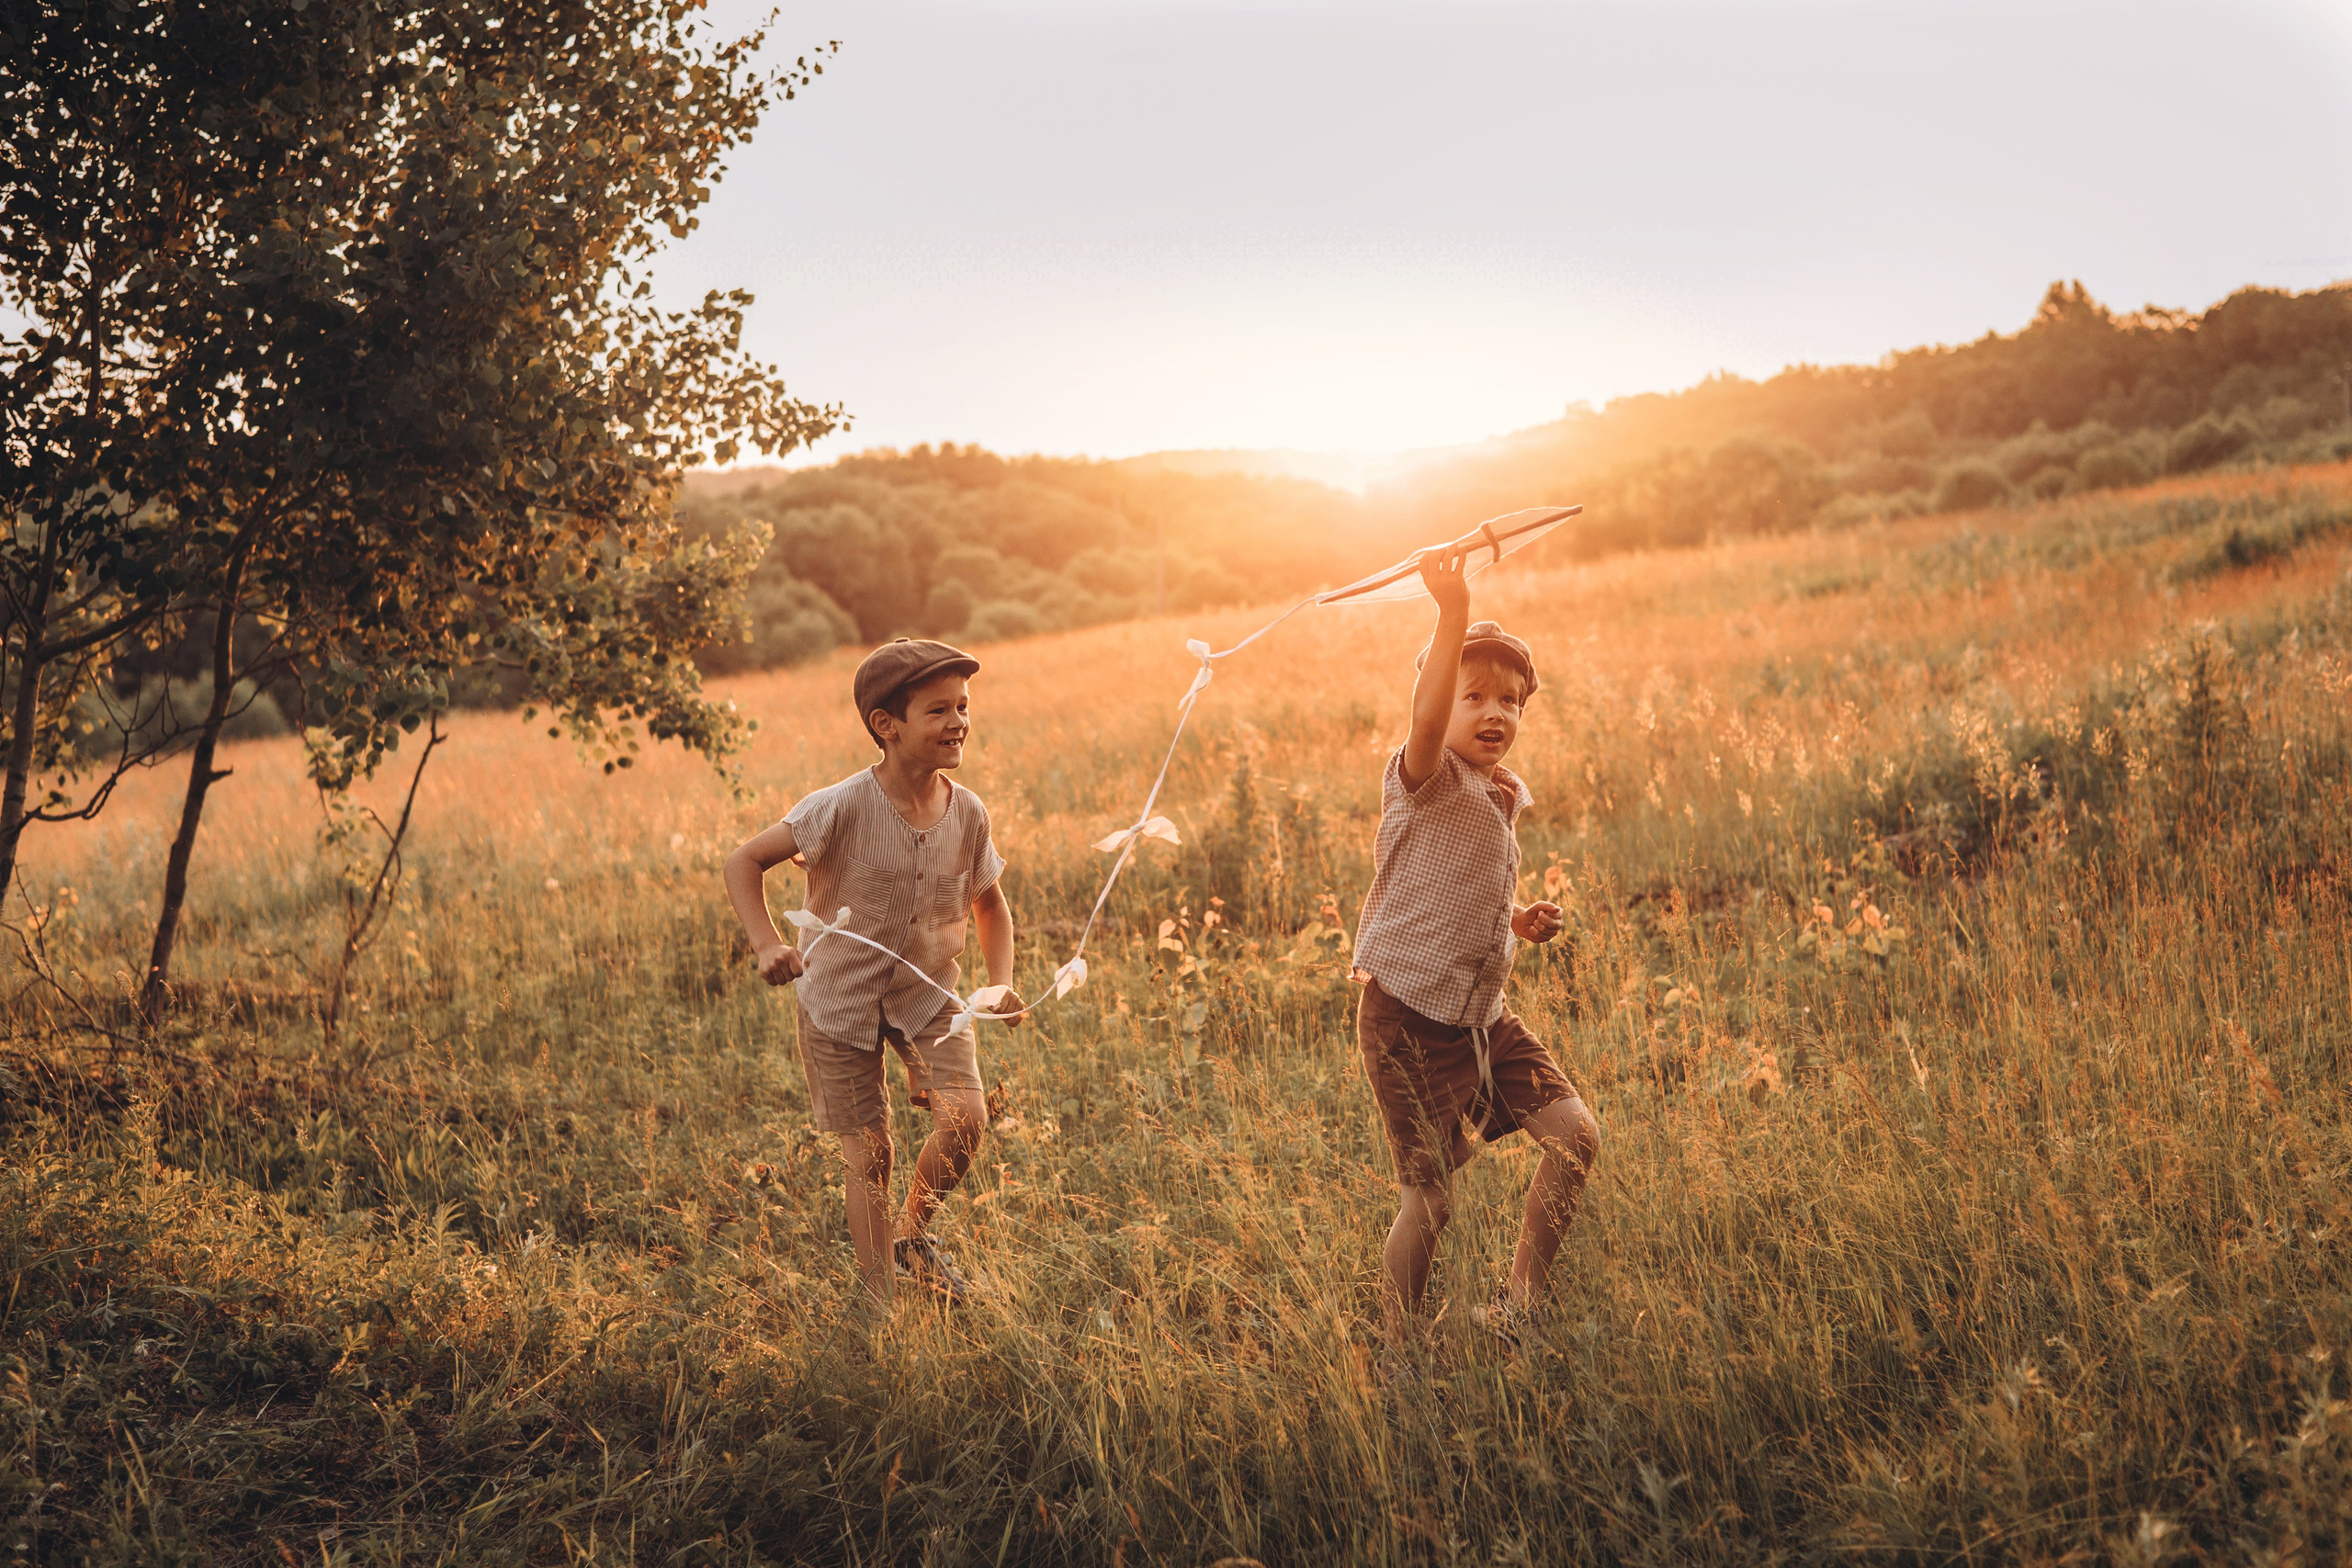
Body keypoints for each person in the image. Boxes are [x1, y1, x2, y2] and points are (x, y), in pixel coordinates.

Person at [722, 637, 1024, 1323]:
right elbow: (743, 860)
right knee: (872, 1152)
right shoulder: (840, 806)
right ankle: (877, 1303)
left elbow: (990, 903)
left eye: (964, 707)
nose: (958, 722)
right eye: (938, 710)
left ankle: (912, 1239)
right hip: (839, 999)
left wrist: (1000, 982)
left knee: (967, 1117)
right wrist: (768, 942)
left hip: (928, 993)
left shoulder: (967, 810)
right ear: (886, 725)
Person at [1351, 547, 1600, 1349]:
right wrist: (1451, 610)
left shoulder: (1498, 793)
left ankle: (1522, 1305)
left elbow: (1457, 884)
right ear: (1438, 701)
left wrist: (1517, 919)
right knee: (1432, 1198)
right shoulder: (1421, 772)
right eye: (1473, 696)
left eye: (1511, 700)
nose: (1495, 712)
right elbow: (1423, 719)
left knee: (1576, 1135)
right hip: (1407, 1021)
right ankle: (1395, 1349)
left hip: (1482, 1018)